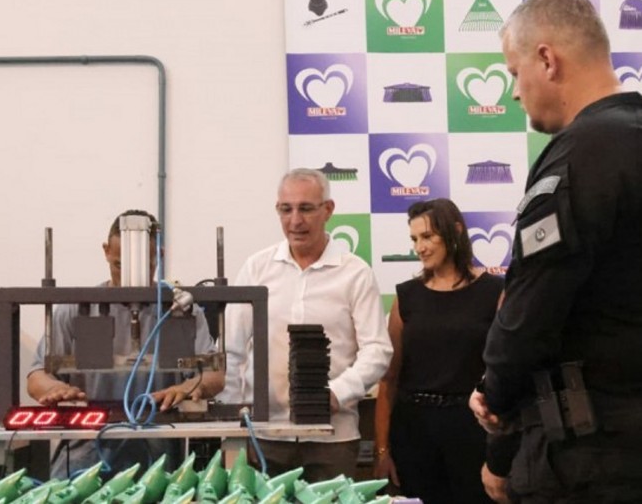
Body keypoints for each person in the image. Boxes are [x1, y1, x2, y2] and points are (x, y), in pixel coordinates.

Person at [469, 0, 642, 503]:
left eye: (514, 73)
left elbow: (530, 308)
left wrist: (494, 395)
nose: (514, 92)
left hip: (591, 457)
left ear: (547, 60)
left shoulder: (580, 155)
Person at [219, 168, 392, 482]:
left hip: (332, 440)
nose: (295, 221)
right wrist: (233, 423)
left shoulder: (355, 273)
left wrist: (335, 394)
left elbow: (377, 351)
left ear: (328, 210)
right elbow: (232, 351)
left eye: (306, 209)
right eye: (286, 209)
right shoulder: (256, 268)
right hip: (264, 437)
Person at [27, 209, 223, 478]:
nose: (130, 278)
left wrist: (190, 386)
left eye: (144, 266)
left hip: (159, 463)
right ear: (106, 251)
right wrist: (56, 388)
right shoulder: (79, 310)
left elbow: (214, 375)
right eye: (120, 265)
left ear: (159, 256)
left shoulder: (179, 313)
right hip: (84, 461)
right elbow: (37, 375)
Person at [373, 199, 504, 504]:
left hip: (473, 429)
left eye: (428, 236)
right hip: (414, 430)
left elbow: (506, 368)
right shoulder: (406, 296)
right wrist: (382, 450)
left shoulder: (495, 292)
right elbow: (389, 380)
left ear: (455, 232)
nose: (420, 247)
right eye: (414, 239)